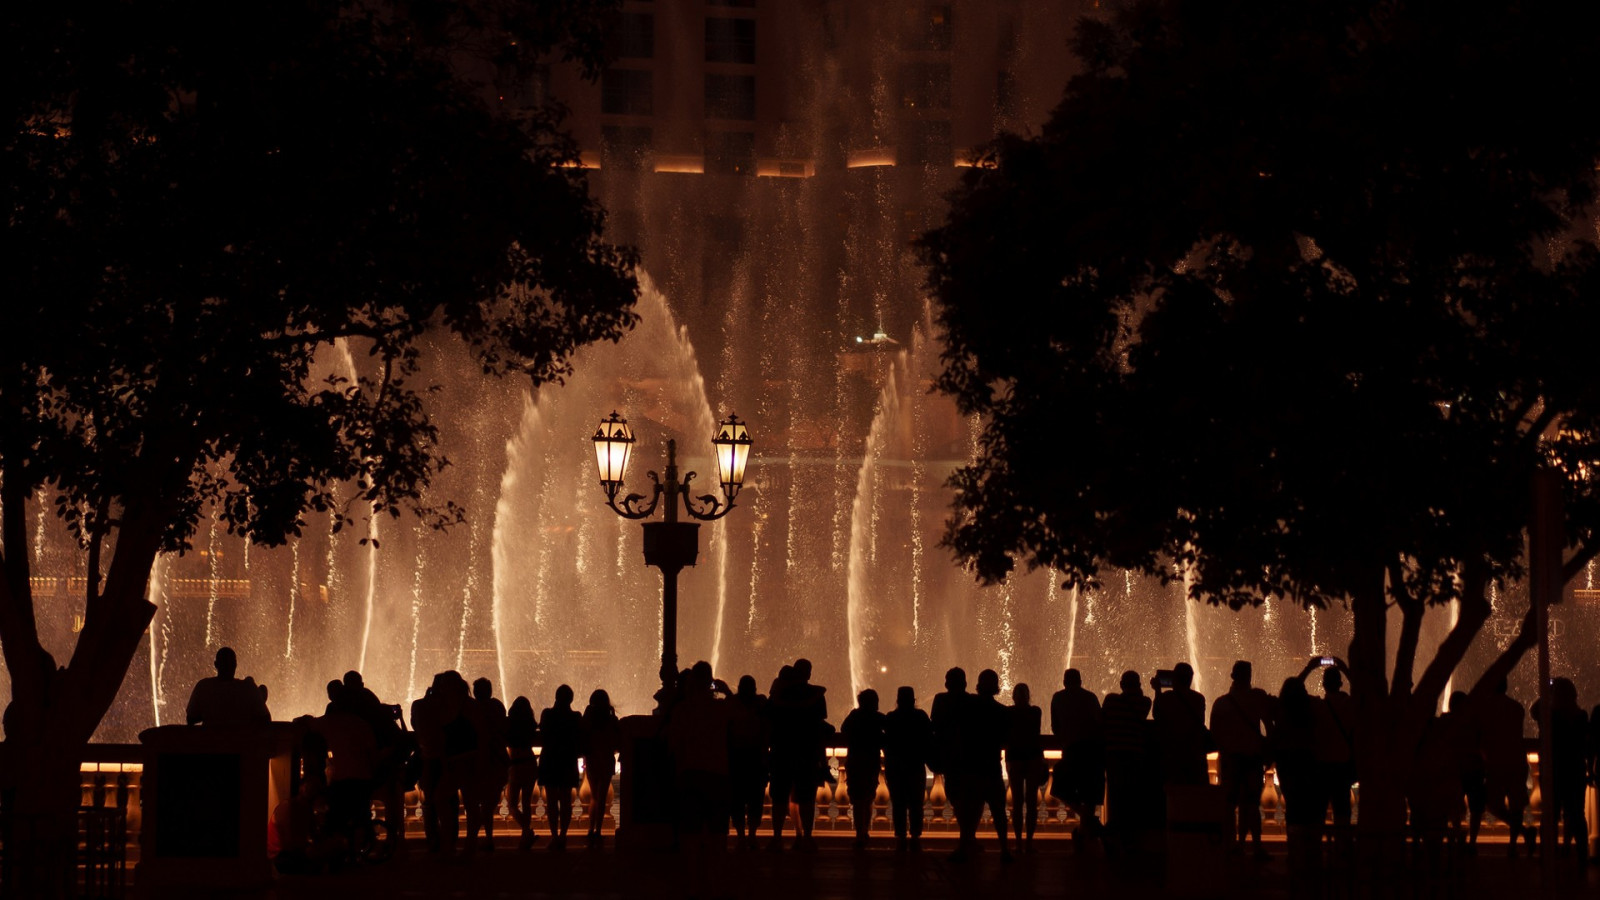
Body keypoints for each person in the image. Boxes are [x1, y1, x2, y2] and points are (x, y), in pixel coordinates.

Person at [666, 662, 734, 898]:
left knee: (690, 835)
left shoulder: (682, 710)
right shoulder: (721, 708)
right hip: (718, 776)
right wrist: (727, 691)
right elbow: (741, 715)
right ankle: (715, 884)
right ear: (711, 681)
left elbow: (672, 744)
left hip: (690, 775)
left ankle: (693, 884)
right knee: (718, 836)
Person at [1210, 660, 1272, 859]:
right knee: (1251, 805)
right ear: (1249, 676)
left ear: (1232, 676)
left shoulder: (1221, 703)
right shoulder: (1258, 697)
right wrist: (1268, 750)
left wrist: (1226, 749)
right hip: (1253, 759)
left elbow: (1214, 735)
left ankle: (1230, 846)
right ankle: (1255, 846)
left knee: (1230, 805)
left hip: (1231, 760)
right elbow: (1269, 726)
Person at [949, 669, 1010, 863]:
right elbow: (1005, 739)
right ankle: (1005, 849)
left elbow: (959, 733)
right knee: (998, 811)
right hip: (991, 766)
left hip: (971, 766)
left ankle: (964, 847)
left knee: (968, 811)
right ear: (996, 687)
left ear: (979, 685)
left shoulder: (968, 707)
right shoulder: (1002, 712)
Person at [1530, 677, 1588, 858]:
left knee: (1550, 815)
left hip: (1552, 771)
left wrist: (1546, 691)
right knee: (1576, 814)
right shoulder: (1581, 716)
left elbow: (1533, 711)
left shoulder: (1549, 716)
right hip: (1575, 771)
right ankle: (1579, 853)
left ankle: (1549, 852)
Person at [1474, 677, 1532, 855]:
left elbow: (1481, 735)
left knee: (1492, 805)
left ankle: (1523, 833)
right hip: (1516, 761)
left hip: (1496, 762)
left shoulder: (1484, 709)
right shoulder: (1517, 707)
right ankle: (1514, 843)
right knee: (1516, 805)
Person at [1050, 668, 1106, 848]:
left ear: (1064, 681)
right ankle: (1089, 828)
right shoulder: (1090, 697)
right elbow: (1100, 723)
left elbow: (1055, 727)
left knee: (1059, 788)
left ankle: (1085, 832)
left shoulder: (1058, 698)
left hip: (1071, 750)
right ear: (1080, 681)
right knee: (1089, 795)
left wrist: (1065, 738)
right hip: (1091, 752)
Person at [1272, 678, 1321, 878]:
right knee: (1311, 808)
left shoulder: (1281, 710)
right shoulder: (1310, 708)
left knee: (1293, 808)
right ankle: (1312, 852)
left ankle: (1294, 851)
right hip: (1308, 761)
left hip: (1287, 762)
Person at [1101, 669, 1154, 846]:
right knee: (1132, 797)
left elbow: (1102, 721)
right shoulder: (1144, 702)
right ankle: (1129, 838)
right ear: (1139, 685)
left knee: (1115, 796)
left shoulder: (1111, 700)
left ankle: (1113, 835)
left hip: (1114, 755)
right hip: (1135, 756)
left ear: (1122, 685)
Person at [882, 686, 932, 852]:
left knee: (899, 803)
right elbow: (928, 739)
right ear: (913, 700)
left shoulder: (891, 718)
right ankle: (915, 837)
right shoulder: (920, 716)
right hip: (915, 765)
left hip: (895, 767)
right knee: (916, 803)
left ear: (898, 700)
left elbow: (886, 741)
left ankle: (901, 837)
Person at [839, 689, 886, 849]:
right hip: (871, 762)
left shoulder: (854, 716)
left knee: (858, 800)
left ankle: (860, 833)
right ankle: (864, 831)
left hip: (855, 762)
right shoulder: (878, 718)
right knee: (868, 798)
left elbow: (844, 730)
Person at [539, 685, 583, 850]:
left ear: (556, 697)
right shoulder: (576, 717)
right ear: (571, 699)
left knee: (551, 802)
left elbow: (543, 734)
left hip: (550, 760)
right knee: (566, 801)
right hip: (567, 761)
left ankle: (554, 836)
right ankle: (563, 835)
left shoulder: (547, 714)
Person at [728, 675, 769, 849]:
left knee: (739, 799)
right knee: (754, 799)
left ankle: (742, 836)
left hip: (738, 757)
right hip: (754, 757)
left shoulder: (734, 704)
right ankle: (750, 836)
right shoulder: (760, 704)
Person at [1151, 662, 1209, 788]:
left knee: (1175, 790)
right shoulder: (1199, 698)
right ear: (1191, 679)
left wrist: (1157, 690)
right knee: (1195, 791)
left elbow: (1157, 715)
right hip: (1195, 754)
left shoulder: (1167, 697)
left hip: (1173, 755)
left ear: (1174, 678)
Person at [1444, 690, 1486, 851]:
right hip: (1473, 769)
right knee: (1475, 809)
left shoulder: (1446, 721)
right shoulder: (1474, 722)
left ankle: (1457, 836)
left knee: (1455, 806)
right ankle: (1471, 841)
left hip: (1455, 769)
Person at [185, 647, 270, 727]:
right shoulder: (248, 688)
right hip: (241, 737)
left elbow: (190, 719)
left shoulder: (203, 686)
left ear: (216, 665)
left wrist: (210, 712)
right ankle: (260, 698)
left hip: (211, 737)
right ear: (235, 664)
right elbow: (266, 719)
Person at [471, 677, 509, 852]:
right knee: (489, 804)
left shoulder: (472, 709)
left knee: (477, 804)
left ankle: (476, 837)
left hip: (478, 762)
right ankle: (487, 837)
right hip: (497, 761)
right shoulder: (498, 707)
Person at [1006, 683, 1045, 854]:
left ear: (1013, 696)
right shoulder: (1035, 712)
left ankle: (1018, 842)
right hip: (1032, 758)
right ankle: (1028, 842)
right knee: (1031, 802)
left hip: (1015, 758)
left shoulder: (1008, 713)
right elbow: (1035, 735)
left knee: (1017, 802)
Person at [581, 688, 621, 849]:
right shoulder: (611, 720)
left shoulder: (589, 719)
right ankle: (598, 831)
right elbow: (617, 739)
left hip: (592, 759)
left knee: (594, 797)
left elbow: (582, 734)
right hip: (606, 759)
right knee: (602, 796)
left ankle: (590, 830)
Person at [505, 695, 540, 850]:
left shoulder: (509, 725)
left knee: (512, 804)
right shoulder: (530, 725)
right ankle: (526, 834)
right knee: (526, 803)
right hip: (530, 764)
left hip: (516, 765)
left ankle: (526, 830)